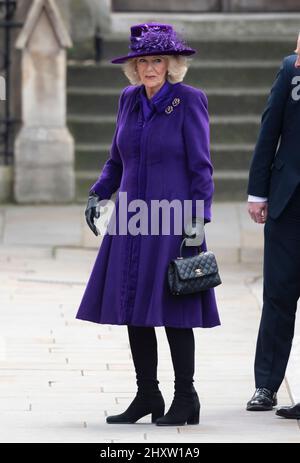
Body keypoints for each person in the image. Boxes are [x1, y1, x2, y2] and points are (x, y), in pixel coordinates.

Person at [76, 22, 220, 426]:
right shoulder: (129, 100)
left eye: (157, 60)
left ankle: (186, 398)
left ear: (172, 64)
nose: (150, 68)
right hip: (130, 221)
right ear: (134, 67)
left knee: (174, 310)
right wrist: (98, 192)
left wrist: (198, 219)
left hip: (172, 221)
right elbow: (116, 161)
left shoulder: (189, 101)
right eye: (143, 61)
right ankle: (147, 395)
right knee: (133, 308)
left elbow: (201, 169)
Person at [246, 35, 300, 415]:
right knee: (278, 296)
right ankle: (266, 386)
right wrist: (257, 192)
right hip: (288, 201)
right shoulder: (290, 70)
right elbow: (270, 130)